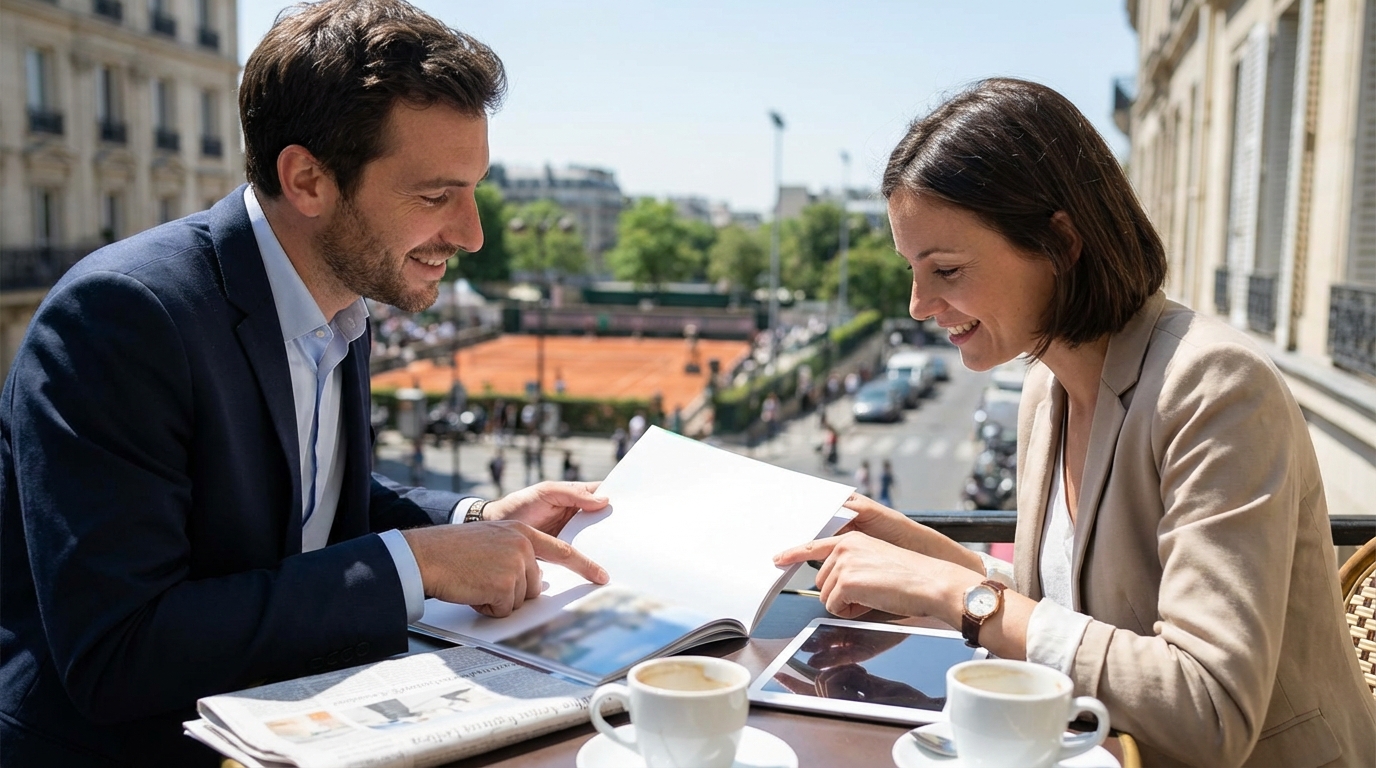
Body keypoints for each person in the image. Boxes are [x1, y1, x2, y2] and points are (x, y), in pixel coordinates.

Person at [0, 2, 610, 764]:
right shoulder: (122, 317)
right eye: (434, 195)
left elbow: (310, 502)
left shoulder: (339, 287)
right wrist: (416, 565)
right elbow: (121, 652)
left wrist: (474, 515)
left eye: (472, 188)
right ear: (308, 179)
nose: (471, 233)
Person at [775, 78, 1376, 766]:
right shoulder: (1045, 387)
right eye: (914, 268)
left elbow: (1210, 710)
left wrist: (952, 594)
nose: (918, 303)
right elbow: (1061, 612)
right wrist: (920, 556)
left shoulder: (1215, 387)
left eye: (945, 268)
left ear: (1059, 242)